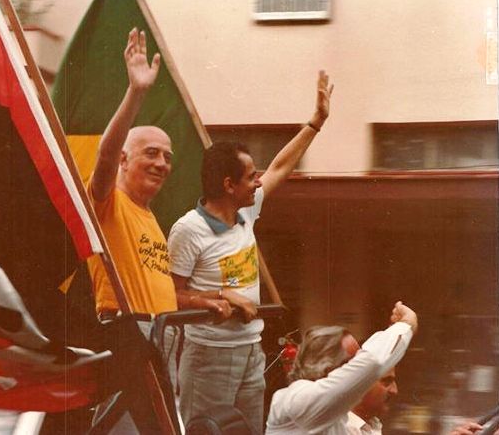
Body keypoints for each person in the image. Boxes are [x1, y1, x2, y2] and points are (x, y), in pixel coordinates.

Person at [168, 70, 333, 433]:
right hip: (208, 358)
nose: (258, 182)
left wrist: (315, 123)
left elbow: (280, 167)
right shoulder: (188, 230)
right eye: (250, 177)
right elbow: (169, 296)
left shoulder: (245, 211)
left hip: (250, 351)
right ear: (228, 185)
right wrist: (219, 297)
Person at [87, 27, 231, 322]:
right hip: (125, 334)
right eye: (151, 153)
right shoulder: (107, 202)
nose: (161, 163)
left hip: (158, 338)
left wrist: (208, 302)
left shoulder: (149, 217)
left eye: (167, 157)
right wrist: (136, 93)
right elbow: (105, 154)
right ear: (124, 160)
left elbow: (162, 295)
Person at [265, 301, 418, 435]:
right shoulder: (294, 399)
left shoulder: (343, 418)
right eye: (351, 363)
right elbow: (370, 364)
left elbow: (372, 365)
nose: (356, 367)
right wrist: (406, 325)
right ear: (328, 370)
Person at [346, 368, 398, 434]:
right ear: (360, 384)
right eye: (387, 381)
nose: (394, 390)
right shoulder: (338, 429)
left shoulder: (374, 426)